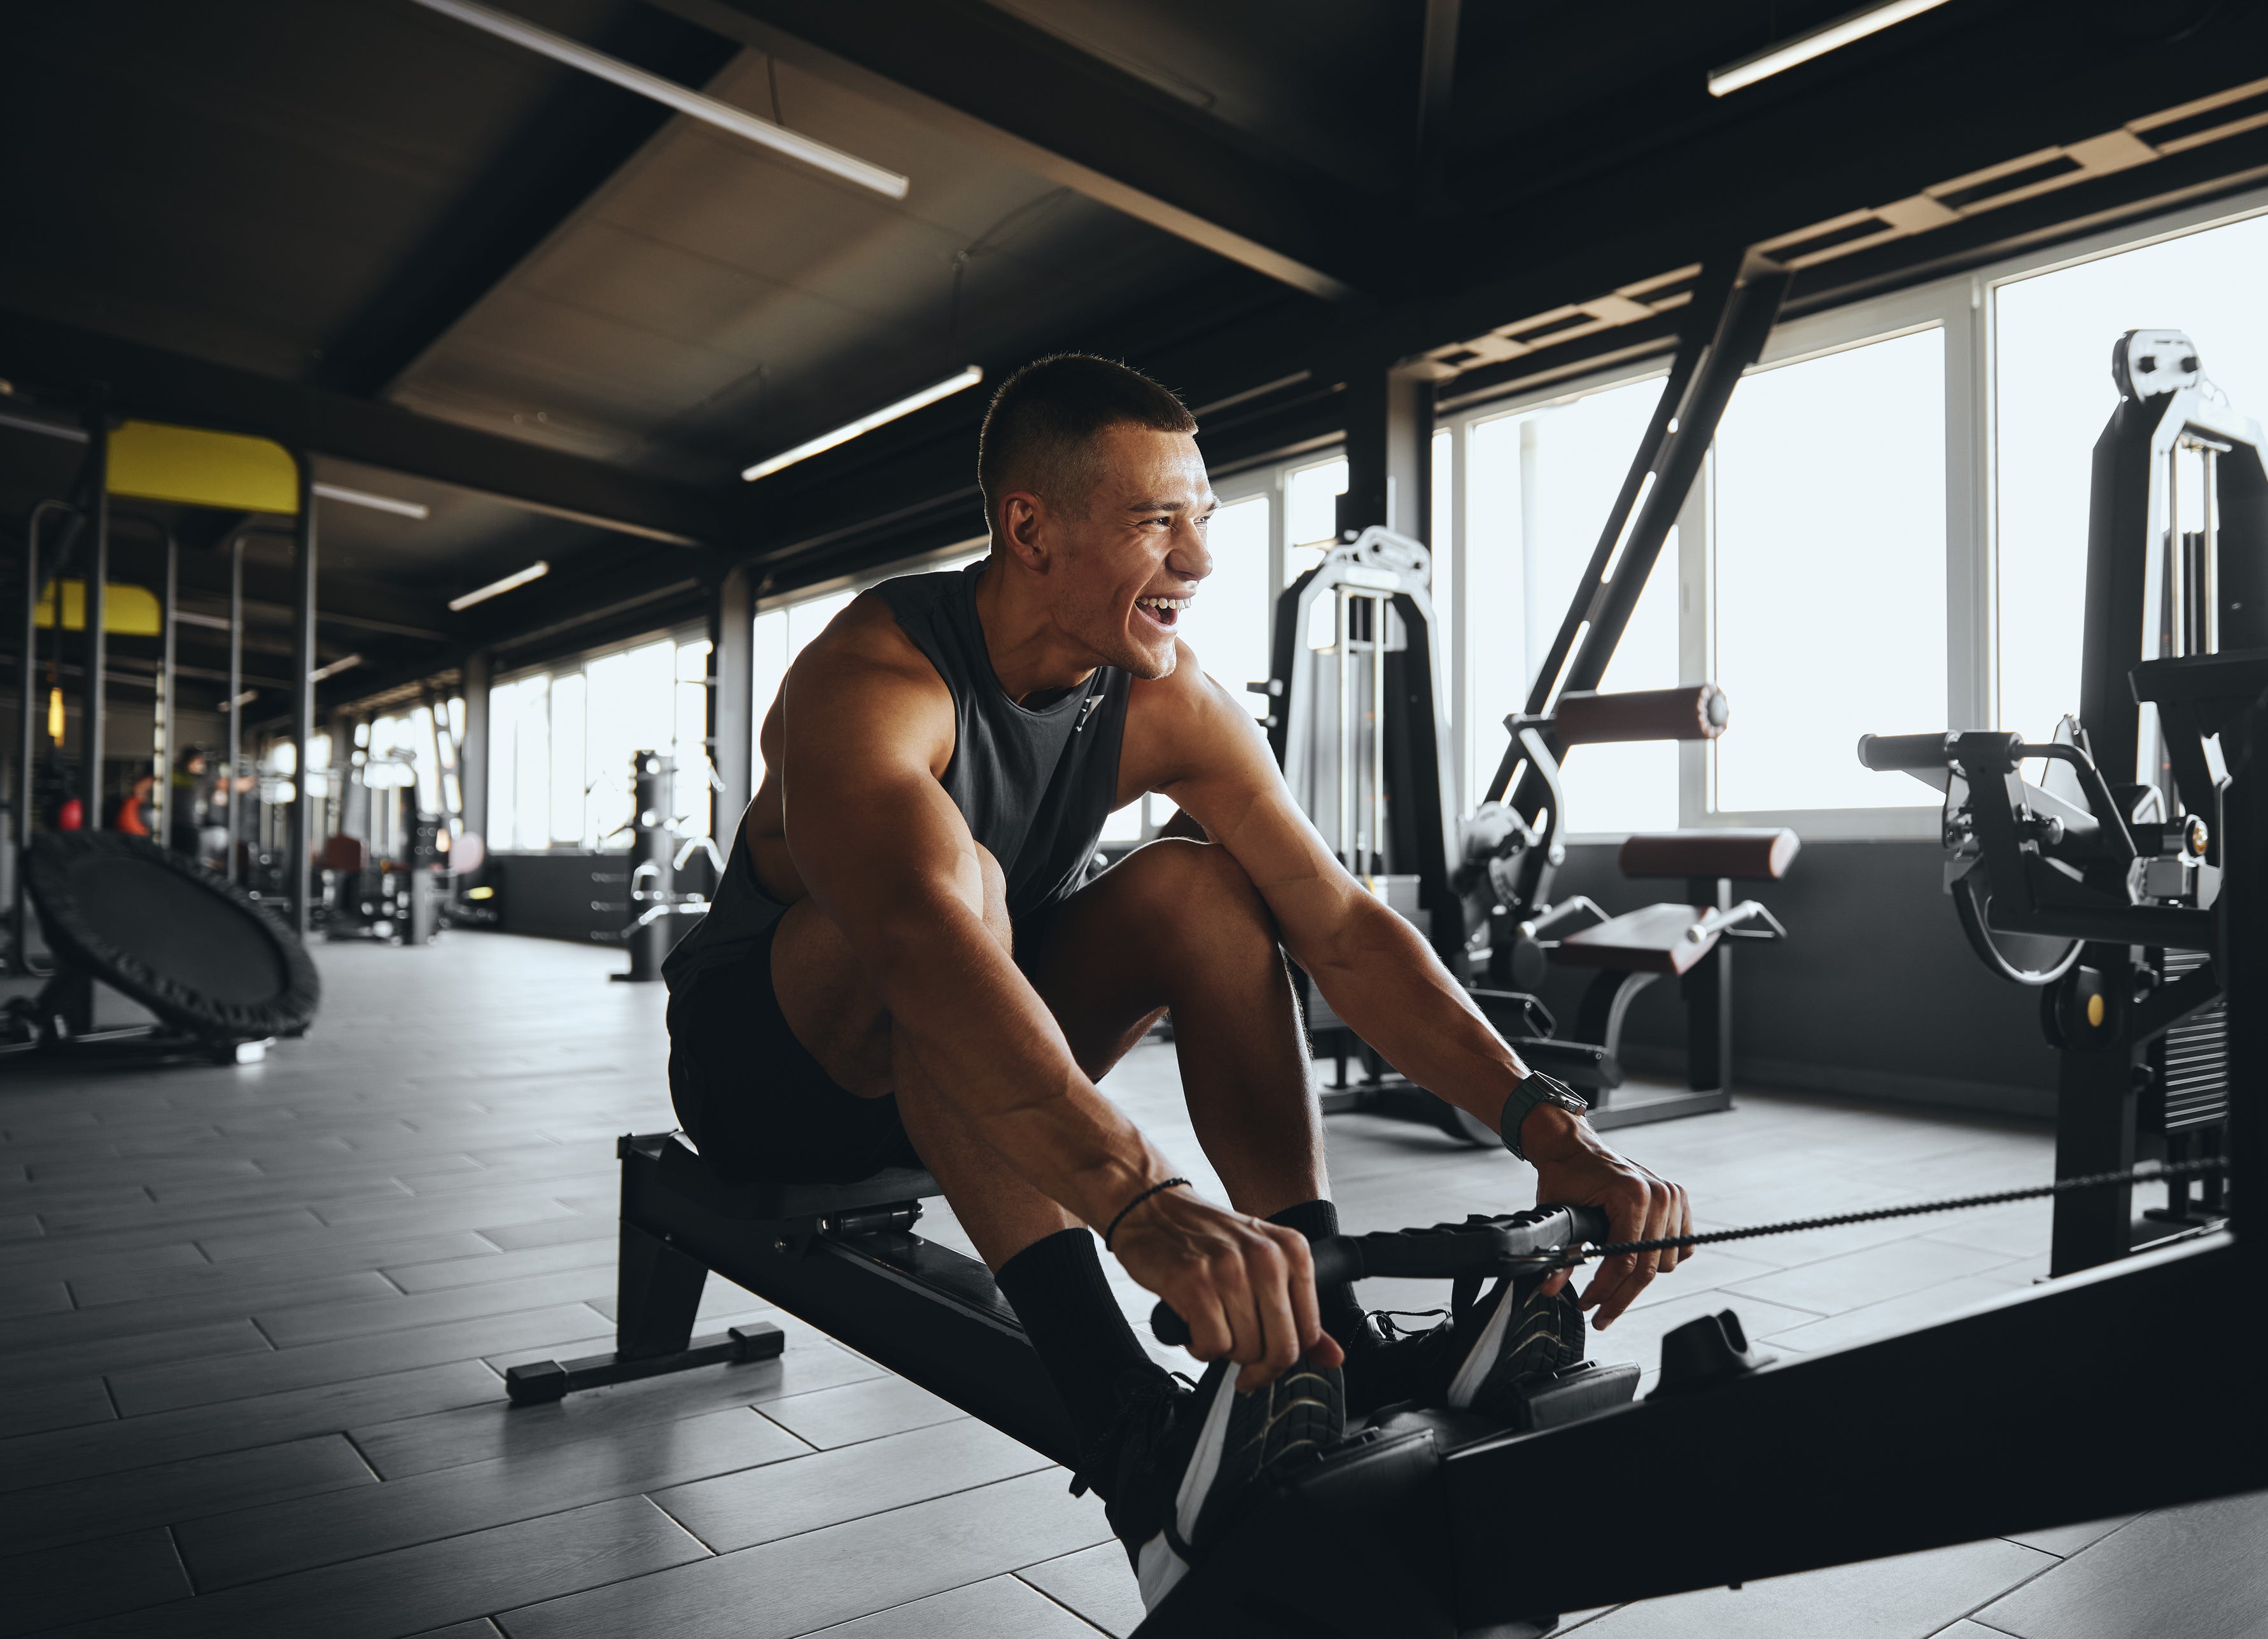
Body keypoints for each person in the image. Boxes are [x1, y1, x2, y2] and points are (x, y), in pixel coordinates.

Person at [663, 355, 1693, 1609]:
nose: (1199, 561)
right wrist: (1141, 1198)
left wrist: (1548, 1123)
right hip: (771, 1073)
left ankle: (1339, 1340)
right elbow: (919, 938)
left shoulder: (1162, 699)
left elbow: (1346, 927)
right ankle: (1132, 1448)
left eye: (1202, 519)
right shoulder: (872, 679)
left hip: (968, 1059)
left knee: (1201, 886)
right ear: (1030, 526)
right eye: (1159, 521)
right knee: (962, 893)